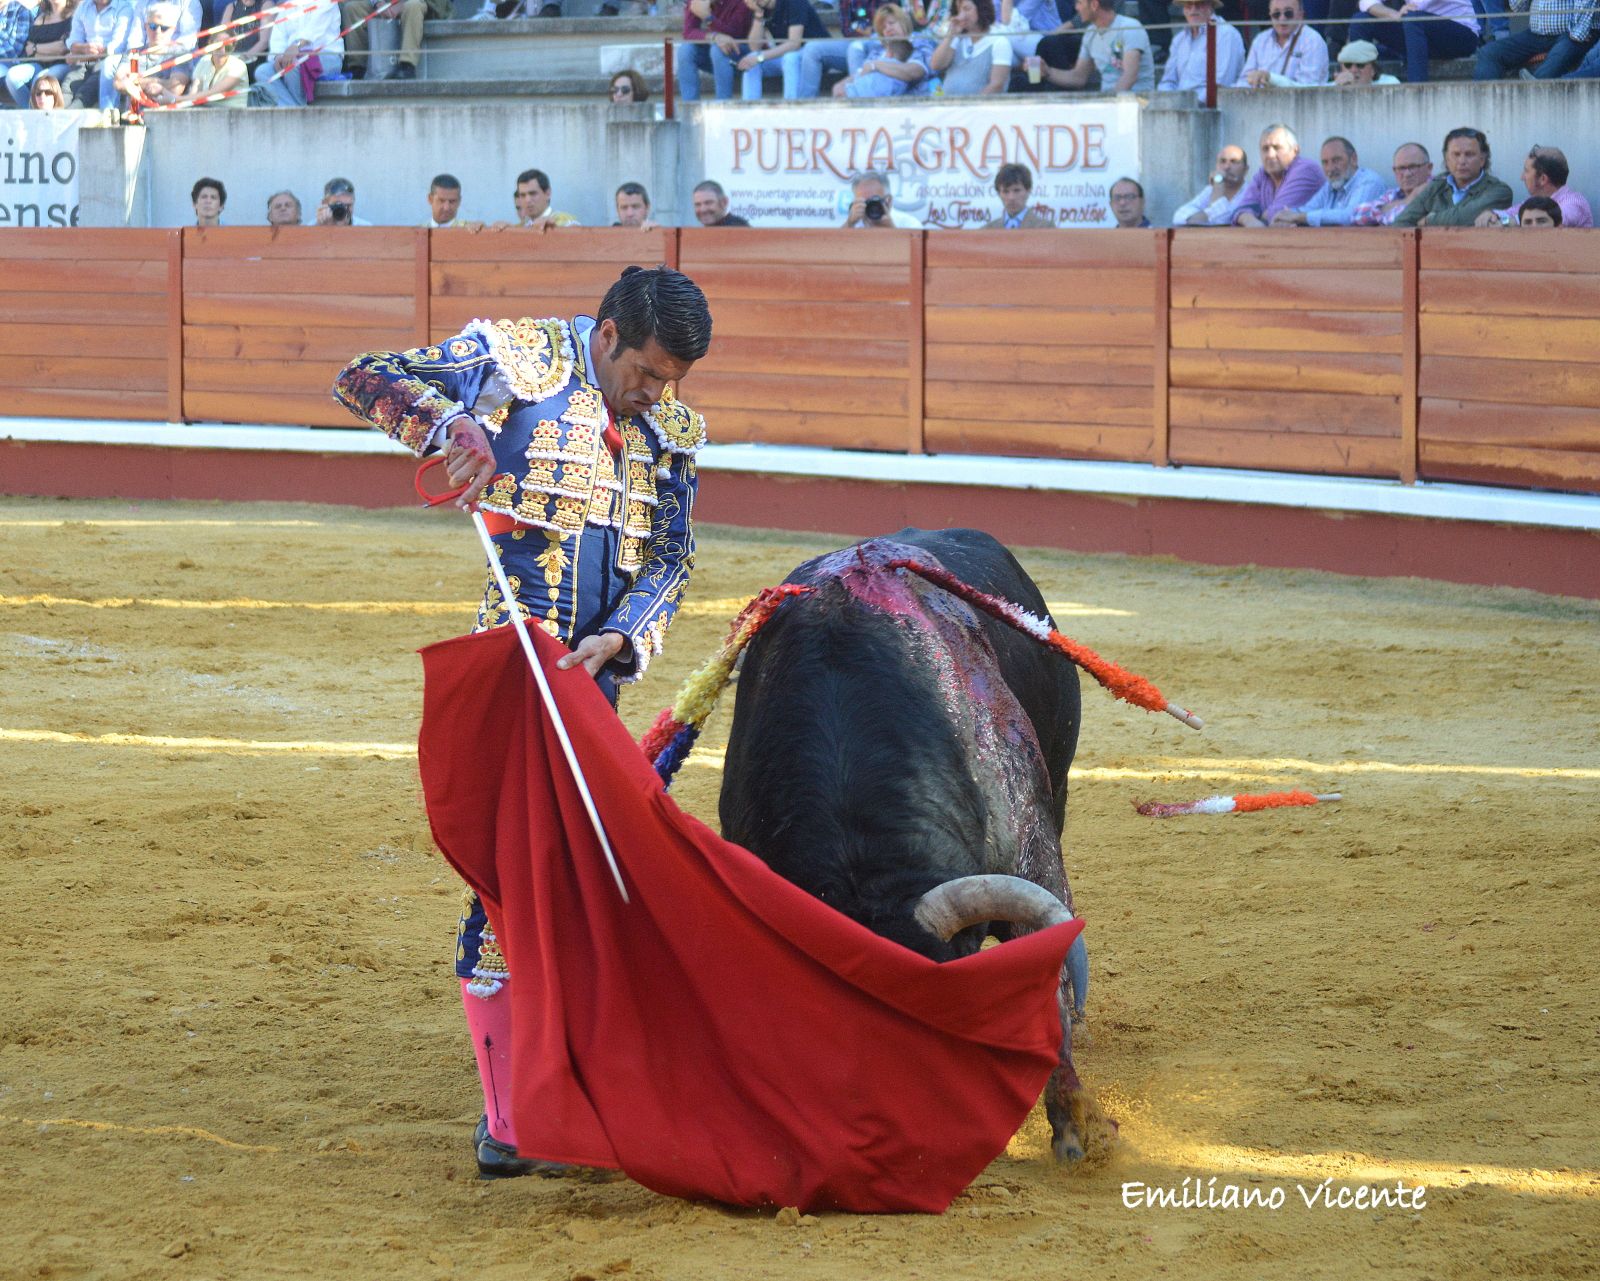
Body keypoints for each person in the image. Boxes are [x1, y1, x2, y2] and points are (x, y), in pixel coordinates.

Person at [331, 265, 714, 1180]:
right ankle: (508, 1115)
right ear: (609, 334)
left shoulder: (669, 428)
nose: (653, 395)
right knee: (513, 877)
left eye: (670, 382)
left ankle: (565, 1075)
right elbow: (365, 375)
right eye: (646, 373)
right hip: (511, 667)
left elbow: (672, 553)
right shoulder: (524, 359)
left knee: (589, 874)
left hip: (594, 685)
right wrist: (452, 426)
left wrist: (626, 634)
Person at [1393, 127, 1513, 226]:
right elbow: (1400, 223)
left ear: (1482, 160)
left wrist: (1428, 220)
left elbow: (1463, 217)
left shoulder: (1499, 191)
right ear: (1446, 159)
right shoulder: (1436, 186)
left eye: (1469, 154)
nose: (1462, 161)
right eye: (1456, 154)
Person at [1032, 0, 1153, 94]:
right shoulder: (1090, 34)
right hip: (1110, 103)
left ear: (1094, 5)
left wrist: (1109, 104)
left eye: (1079, 3)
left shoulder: (1130, 27)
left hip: (1137, 103)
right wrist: (1047, 71)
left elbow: (1129, 76)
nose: (1076, 7)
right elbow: (1078, 77)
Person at [1348, 0, 1478, 83]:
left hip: (1462, 35)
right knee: (1361, 20)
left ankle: (1416, 89)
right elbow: (1365, 3)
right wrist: (1393, 14)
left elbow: (1418, 4)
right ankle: (1358, 82)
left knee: (1413, 19)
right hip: (1417, 33)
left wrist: (1401, 13)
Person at [1271, 136, 1387, 226]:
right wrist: (1284, 217)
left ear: (1353, 159)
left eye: (1336, 160)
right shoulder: (1330, 186)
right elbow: (1307, 209)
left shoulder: (1369, 182)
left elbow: (1350, 217)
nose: (1330, 169)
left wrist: (1299, 217)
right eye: (1325, 163)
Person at [1475, 146, 1593, 228]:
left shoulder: (1574, 203)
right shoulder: (1533, 201)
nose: (1522, 177)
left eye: (1526, 171)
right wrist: (1491, 215)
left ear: (1543, 179)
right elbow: (1508, 213)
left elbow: (1548, 219)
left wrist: (1506, 222)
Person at [251, 0, 342, 106]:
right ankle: (294, 109)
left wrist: (297, 46)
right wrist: (277, 56)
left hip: (326, 56)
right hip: (292, 57)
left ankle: (295, 110)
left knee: (292, 65)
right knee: (262, 71)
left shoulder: (326, 2)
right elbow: (278, 37)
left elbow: (314, 31)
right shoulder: (288, 6)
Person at [1474, 0, 1594, 81]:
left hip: (1570, 33)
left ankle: (1531, 91)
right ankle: (1485, 104)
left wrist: (1579, 31)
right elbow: (1517, 8)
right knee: (1489, 53)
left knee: (1554, 62)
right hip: (1536, 34)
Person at [1230, 122, 1323, 226]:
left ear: (1295, 150)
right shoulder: (1262, 174)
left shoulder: (1306, 170)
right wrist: (1251, 221)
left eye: (1277, 147)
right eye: (1265, 149)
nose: (1270, 155)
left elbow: (1278, 214)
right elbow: (1240, 210)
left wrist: (1254, 218)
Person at [831, 3, 933, 96]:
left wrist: (876, 65)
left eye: (891, 23)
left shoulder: (918, 41)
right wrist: (841, 85)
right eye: (884, 28)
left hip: (911, 102)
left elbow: (915, 71)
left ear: (903, 22)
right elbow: (863, 71)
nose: (888, 29)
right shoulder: (879, 49)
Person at [341, 0, 450, 83]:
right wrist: (379, 3)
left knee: (412, 6)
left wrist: (401, 5)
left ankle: (407, 64)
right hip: (388, 3)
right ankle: (358, 68)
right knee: (353, 8)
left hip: (423, 3)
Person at [1158, 0, 1245, 102]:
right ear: (1184, 10)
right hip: (1179, 105)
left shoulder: (1227, 35)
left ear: (1211, 6)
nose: (1193, 10)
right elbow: (1168, 81)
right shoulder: (1179, 39)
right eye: (1188, 5)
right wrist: (1168, 101)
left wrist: (1185, 104)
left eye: (1199, 4)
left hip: (1213, 107)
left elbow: (1222, 85)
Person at [66, 0, 144, 108]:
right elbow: (72, 41)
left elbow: (117, 46)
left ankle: (105, 112)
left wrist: (88, 55)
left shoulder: (124, 7)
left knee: (97, 77)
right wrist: (83, 49)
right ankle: (57, 112)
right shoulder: (83, 7)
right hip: (83, 59)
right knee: (68, 82)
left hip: (108, 59)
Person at [4, 0, 79, 108]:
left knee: (40, 79)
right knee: (12, 76)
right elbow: (29, 50)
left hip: (63, 64)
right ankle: (31, 110)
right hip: (38, 64)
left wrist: (36, 48)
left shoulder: (74, 17)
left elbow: (63, 48)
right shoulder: (40, 19)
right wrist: (48, 50)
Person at [1237, 0, 1328, 87]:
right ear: (1270, 16)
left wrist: (1270, 78)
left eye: (1288, 13)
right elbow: (1243, 82)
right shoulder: (1260, 40)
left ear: (1300, 15)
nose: (1282, 19)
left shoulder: (1313, 41)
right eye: (1276, 14)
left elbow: (1308, 88)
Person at [929, 0, 1013, 95]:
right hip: (947, 102)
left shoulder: (999, 42)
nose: (961, 16)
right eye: (958, 11)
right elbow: (936, 65)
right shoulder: (956, 39)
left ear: (981, 9)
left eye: (967, 9)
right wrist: (950, 35)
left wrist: (970, 103)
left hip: (978, 104)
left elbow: (997, 85)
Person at [678, 0, 756, 101]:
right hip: (716, 56)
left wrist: (708, 18)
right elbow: (688, 32)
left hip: (744, 52)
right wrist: (714, 37)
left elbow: (736, 35)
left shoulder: (741, 2)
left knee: (718, 50)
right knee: (685, 49)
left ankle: (723, 104)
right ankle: (690, 106)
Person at [1351, 140, 1433, 224]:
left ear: (1429, 168)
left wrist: (1384, 211)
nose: (1407, 174)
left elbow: (1402, 220)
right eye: (1401, 168)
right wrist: (1406, 201)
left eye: (1413, 167)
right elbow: (1356, 215)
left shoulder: (1437, 190)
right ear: (1394, 171)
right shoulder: (1393, 194)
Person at [1172, 144, 1249, 225]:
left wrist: (1218, 184)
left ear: (1246, 169)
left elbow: (1223, 220)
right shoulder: (1210, 190)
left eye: (1234, 162)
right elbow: (1179, 216)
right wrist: (1218, 184)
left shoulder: (1252, 193)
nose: (1226, 167)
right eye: (1222, 161)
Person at [166, 32, 247, 106]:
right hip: (206, 110)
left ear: (233, 48)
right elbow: (194, 92)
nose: (223, 49)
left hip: (232, 113)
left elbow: (214, 93)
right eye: (218, 45)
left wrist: (176, 99)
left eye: (228, 46)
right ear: (210, 44)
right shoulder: (204, 60)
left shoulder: (239, 65)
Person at [498, 168, 580, 228]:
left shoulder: (566, 221)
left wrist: (554, 228)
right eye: (522, 195)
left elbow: (576, 233)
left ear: (547, 193)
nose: (527, 200)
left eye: (533, 193)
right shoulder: (520, 226)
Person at [842, 169, 924, 228]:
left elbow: (915, 247)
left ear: (889, 200)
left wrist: (891, 229)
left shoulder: (909, 224)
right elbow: (836, 245)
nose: (870, 206)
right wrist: (849, 224)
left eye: (874, 201)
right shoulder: (853, 226)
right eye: (864, 202)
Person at [984, 161, 1052, 228]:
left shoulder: (1046, 228)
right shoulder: (986, 230)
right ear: (999, 194)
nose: (1011, 198)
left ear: (1028, 191)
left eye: (1017, 190)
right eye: (1006, 191)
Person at [1329, 37, 1399, 83]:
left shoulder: (1390, 83)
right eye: (1348, 65)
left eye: (1360, 65)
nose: (1354, 70)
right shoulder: (1330, 88)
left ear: (1373, 70)